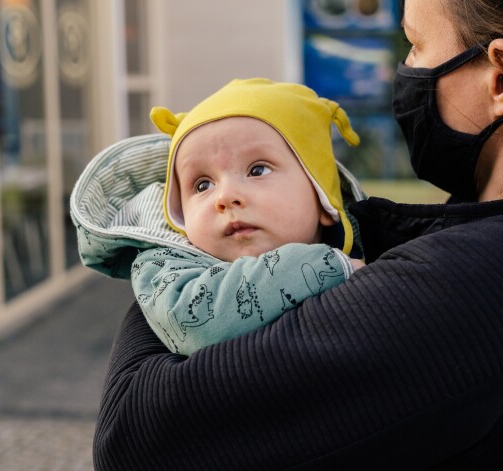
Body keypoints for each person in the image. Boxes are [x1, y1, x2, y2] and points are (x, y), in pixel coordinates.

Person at [89, 0, 503, 468]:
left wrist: (170, 251)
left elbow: (134, 437)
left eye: (416, 45)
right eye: (201, 185)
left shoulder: (491, 278)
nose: (408, 70)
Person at [134, 79, 365, 355]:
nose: (226, 197)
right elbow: (193, 321)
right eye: (203, 185)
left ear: (322, 199)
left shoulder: (381, 243)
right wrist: (329, 267)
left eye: (257, 171)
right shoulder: (165, 269)